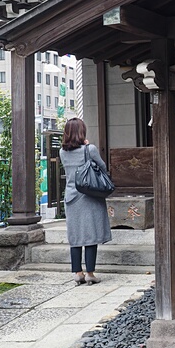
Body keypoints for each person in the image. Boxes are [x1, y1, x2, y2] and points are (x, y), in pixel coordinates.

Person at [59, 117, 112, 285]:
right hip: (89, 196)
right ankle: (90, 273)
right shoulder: (90, 149)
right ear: (82, 132)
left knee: (75, 235)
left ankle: (77, 273)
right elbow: (103, 167)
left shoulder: (62, 152)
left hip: (71, 196)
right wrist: (88, 147)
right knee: (90, 234)